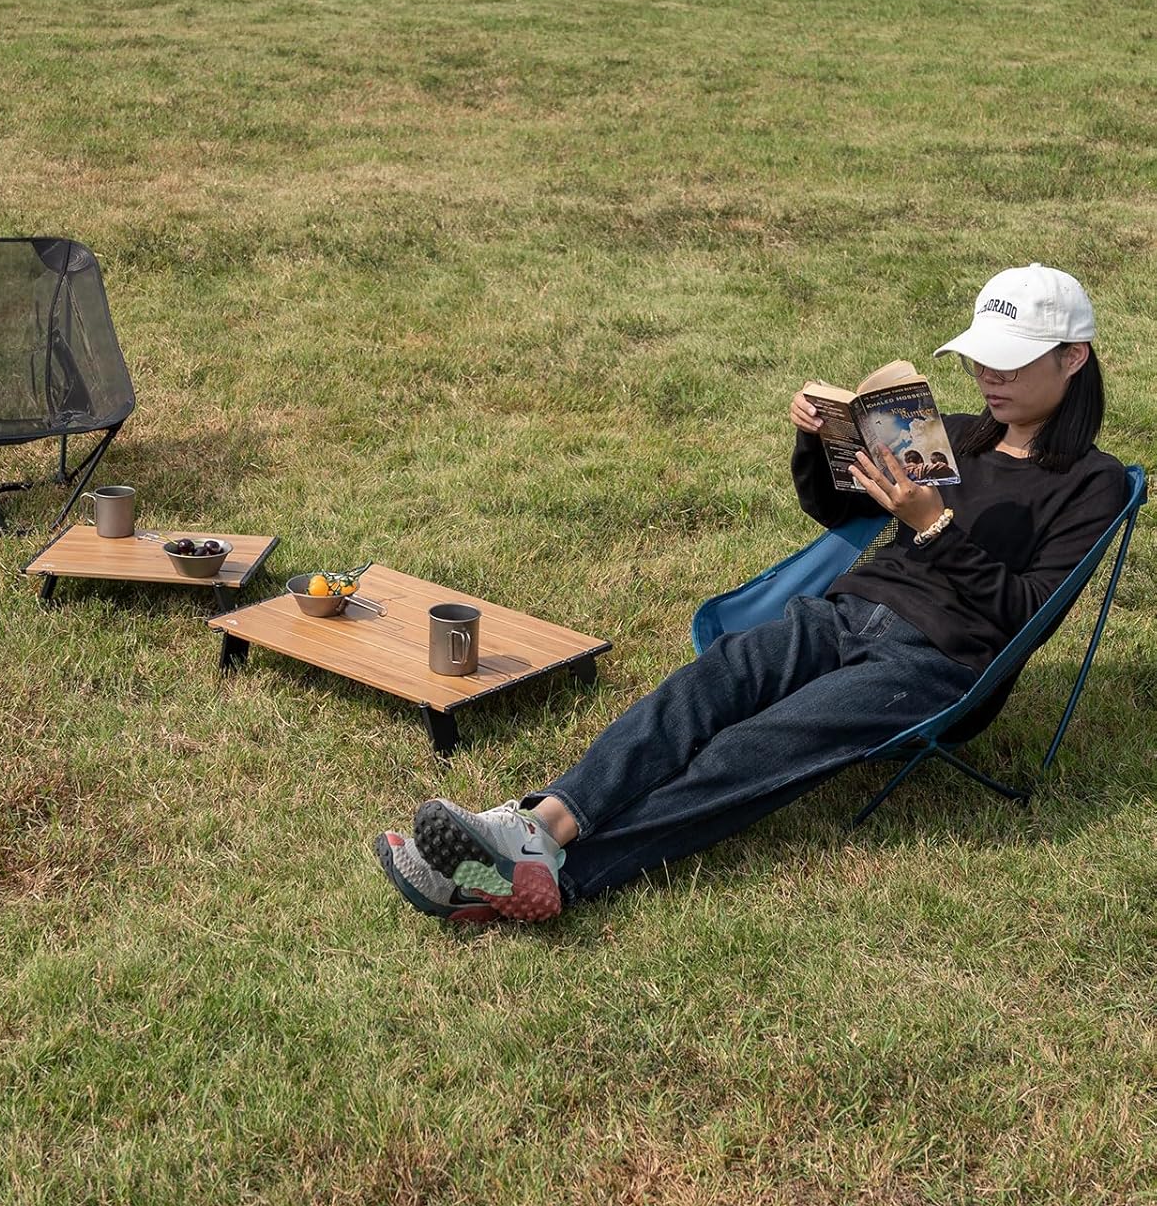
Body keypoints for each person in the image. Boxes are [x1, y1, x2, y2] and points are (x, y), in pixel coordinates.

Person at [374, 264, 1127, 926]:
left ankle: (558, 878)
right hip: (842, 614)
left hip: (939, 663)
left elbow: (1026, 614)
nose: (989, 376)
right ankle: (537, 828)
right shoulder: (952, 434)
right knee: (706, 685)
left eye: (1010, 361)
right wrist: (817, 440)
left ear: (1072, 357)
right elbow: (838, 513)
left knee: (754, 748)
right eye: (979, 358)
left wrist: (933, 527)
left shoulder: (1091, 485)